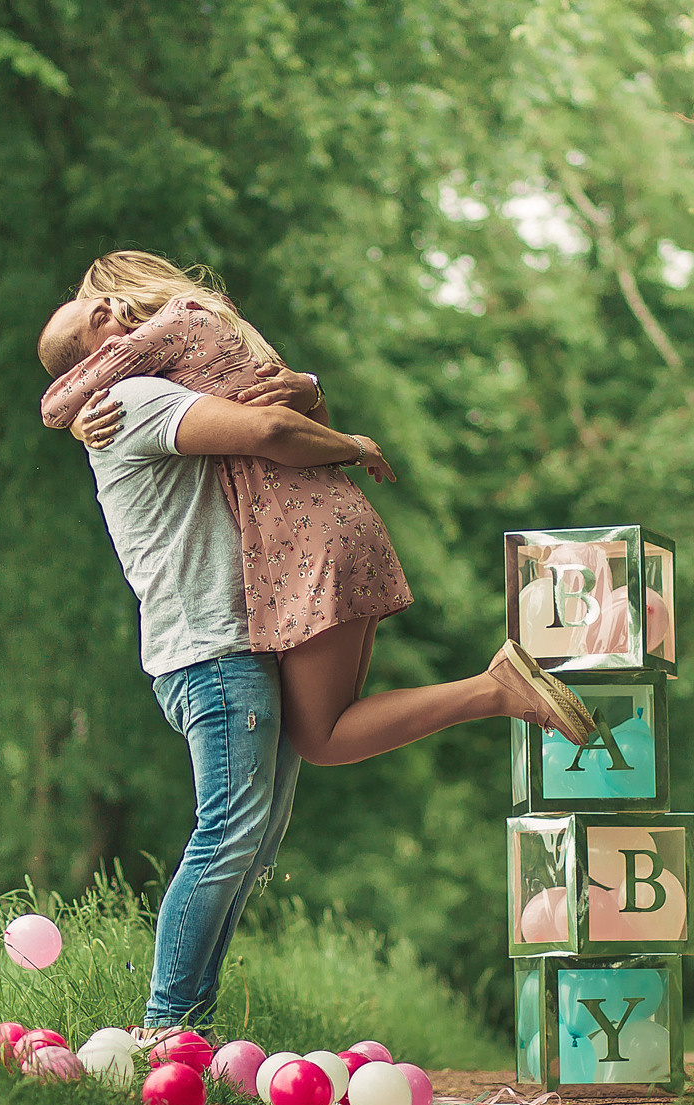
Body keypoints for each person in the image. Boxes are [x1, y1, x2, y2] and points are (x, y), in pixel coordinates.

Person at [37, 254, 594, 1038]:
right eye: (88, 324)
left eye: (103, 308)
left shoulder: (157, 382)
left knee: (252, 842)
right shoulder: (129, 398)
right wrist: (349, 438)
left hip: (245, 634)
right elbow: (264, 428)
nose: (107, 316)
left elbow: (262, 395)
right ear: (86, 366)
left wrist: (308, 386)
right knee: (228, 833)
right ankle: (166, 1024)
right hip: (210, 647)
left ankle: (186, 1025)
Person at [40, 251, 593, 768]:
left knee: (320, 737)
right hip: (321, 523)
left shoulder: (168, 339)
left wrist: (72, 418)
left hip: (304, 537)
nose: (114, 321)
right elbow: (298, 413)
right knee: (321, 727)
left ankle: (496, 690)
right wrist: (312, 389)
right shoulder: (213, 335)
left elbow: (275, 428)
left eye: (108, 306)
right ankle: (495, 691)